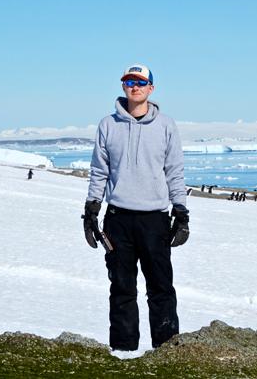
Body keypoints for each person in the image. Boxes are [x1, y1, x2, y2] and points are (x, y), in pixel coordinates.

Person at [82, 64, 190, 352]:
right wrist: (92, 209)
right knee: (121, 289)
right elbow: (99, 171)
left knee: (161, 289)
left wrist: (181, 213)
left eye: (141, 82)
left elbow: (174, 172)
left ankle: (166, 351)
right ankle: (123, 351)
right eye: (130, 81)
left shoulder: (166, 126)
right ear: (123, 87)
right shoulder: (108, 125)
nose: (135, 86)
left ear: (151, 89)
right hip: (118, 219)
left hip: (155, 220)